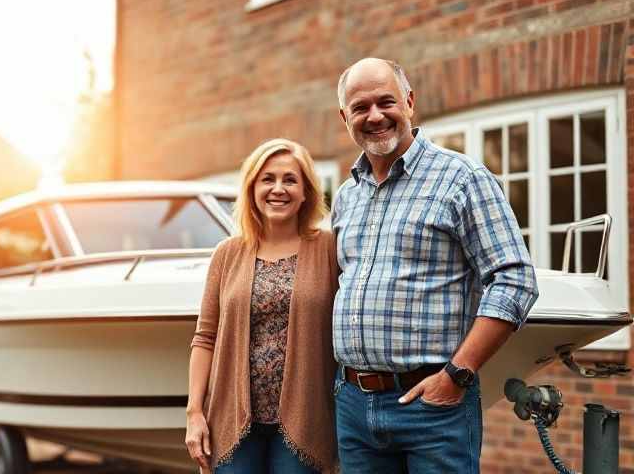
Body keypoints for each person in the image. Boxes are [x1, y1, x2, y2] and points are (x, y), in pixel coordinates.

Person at [331, 57, 539, 473]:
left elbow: (515, 280)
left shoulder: (462, 177)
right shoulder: (345, 197)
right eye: (360, 107)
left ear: (409, 102)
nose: (375, 116)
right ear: (345, 117)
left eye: (385, 102)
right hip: (353, 404)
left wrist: (456, 375)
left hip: (433, 406)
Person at [185, 139, 339, 474]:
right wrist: (194, 413)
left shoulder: (329, 248)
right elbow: (205, 337)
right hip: (233, 420)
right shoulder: (227, 254)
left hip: (305, 419)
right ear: (252, 187)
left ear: (306, 191)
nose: (278, 189)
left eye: (290, 180)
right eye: (267, 179)